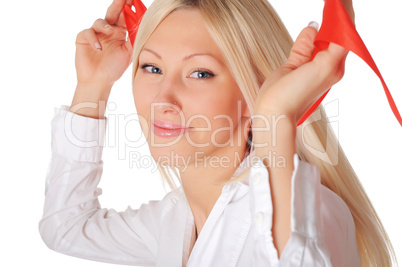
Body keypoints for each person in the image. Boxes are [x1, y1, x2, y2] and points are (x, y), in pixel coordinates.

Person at [39, 0, 397, 266]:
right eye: (151, 67)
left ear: (254, 89)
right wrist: (93, 85)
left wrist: (275, 114)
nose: (164, 98)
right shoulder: (175, 219)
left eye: (200, 73)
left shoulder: (315, 213)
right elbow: (66, 227)